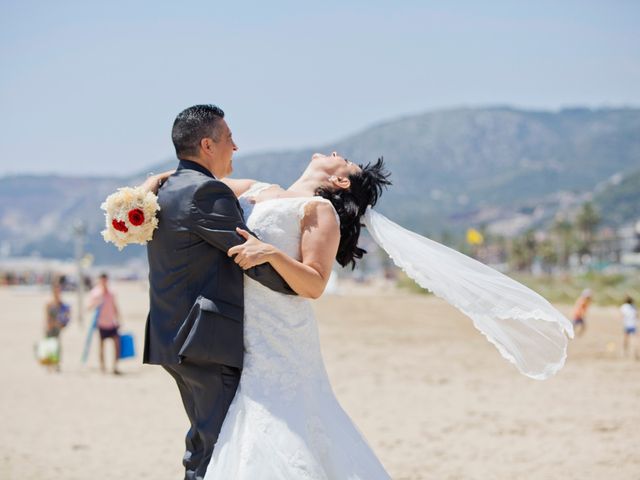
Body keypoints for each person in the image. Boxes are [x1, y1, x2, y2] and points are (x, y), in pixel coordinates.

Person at [142, 106, 572, 479]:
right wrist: (151, 186)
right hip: (246, 331)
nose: (332, 153)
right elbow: (194, 188)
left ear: (342, 183)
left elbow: (313, 284)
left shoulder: (319, 211)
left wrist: (271, 253)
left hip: (283, 330)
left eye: (341, 160)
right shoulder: (258, 190)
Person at [143, 105, 294, 480]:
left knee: (205, 443)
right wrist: (301, 287)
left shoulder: (167, 189)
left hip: (175, 337)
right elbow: (250, 256)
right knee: (216, 449)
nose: (236, 147)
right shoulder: (206, 192)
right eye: (229, 139)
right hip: (204, 342)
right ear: (208, 145)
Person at [88, 273, 122, 374]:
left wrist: (119, 318)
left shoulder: (111, 293)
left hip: (112, 323)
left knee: (117, 344)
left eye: (105, 280)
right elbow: (89, 307)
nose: (104, 282)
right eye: (102, 280)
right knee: (101, 346)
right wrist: (97, 303)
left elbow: (115, 306)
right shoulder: (95, 293)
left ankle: (115, 367)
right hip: (101, 324)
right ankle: (103, 367)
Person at [43, 280, 71, 371]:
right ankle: (49, 364)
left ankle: (56, 364)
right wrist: (48, 325)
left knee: (57, 345)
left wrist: (63, 324)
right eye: (56, 290)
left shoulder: (62, 304)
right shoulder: (49, 304)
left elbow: (67, 315)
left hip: (57, 327)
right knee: (49, 346)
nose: (57, 292)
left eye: (58, 291)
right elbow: (47, 316)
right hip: (50, 327)